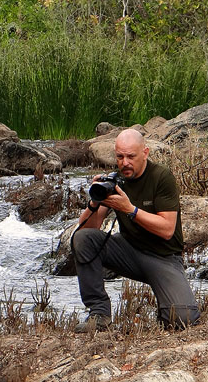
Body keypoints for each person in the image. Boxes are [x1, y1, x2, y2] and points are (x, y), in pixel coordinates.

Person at [73, 128, 200, 331]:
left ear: (145, 153)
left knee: (182, 320)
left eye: (131, 156)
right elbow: (88, 228)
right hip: (128, 251)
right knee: (83, 239)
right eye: (120, 157)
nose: (125, 163)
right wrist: (95, 201)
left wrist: (129, 210)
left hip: (163, 256)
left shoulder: (161, 177)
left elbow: (167, 229)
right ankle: (99, 313)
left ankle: (165, 306)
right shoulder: (116, 181)